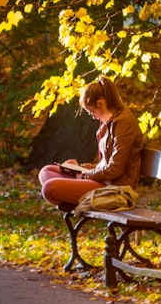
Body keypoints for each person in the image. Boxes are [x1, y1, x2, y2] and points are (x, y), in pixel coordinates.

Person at [38, 76, 144, 209]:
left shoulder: (124, 123)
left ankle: (73, 199)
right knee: (47, 171)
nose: (92, 116)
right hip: (103, 179)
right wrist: (81, 167)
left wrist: (85, 176)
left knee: (50, 188)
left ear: (100, 103)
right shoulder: (108, 121)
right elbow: (104, 164)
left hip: (114, 187)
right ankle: (75, 198)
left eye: (92, 112)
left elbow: (115, 169)